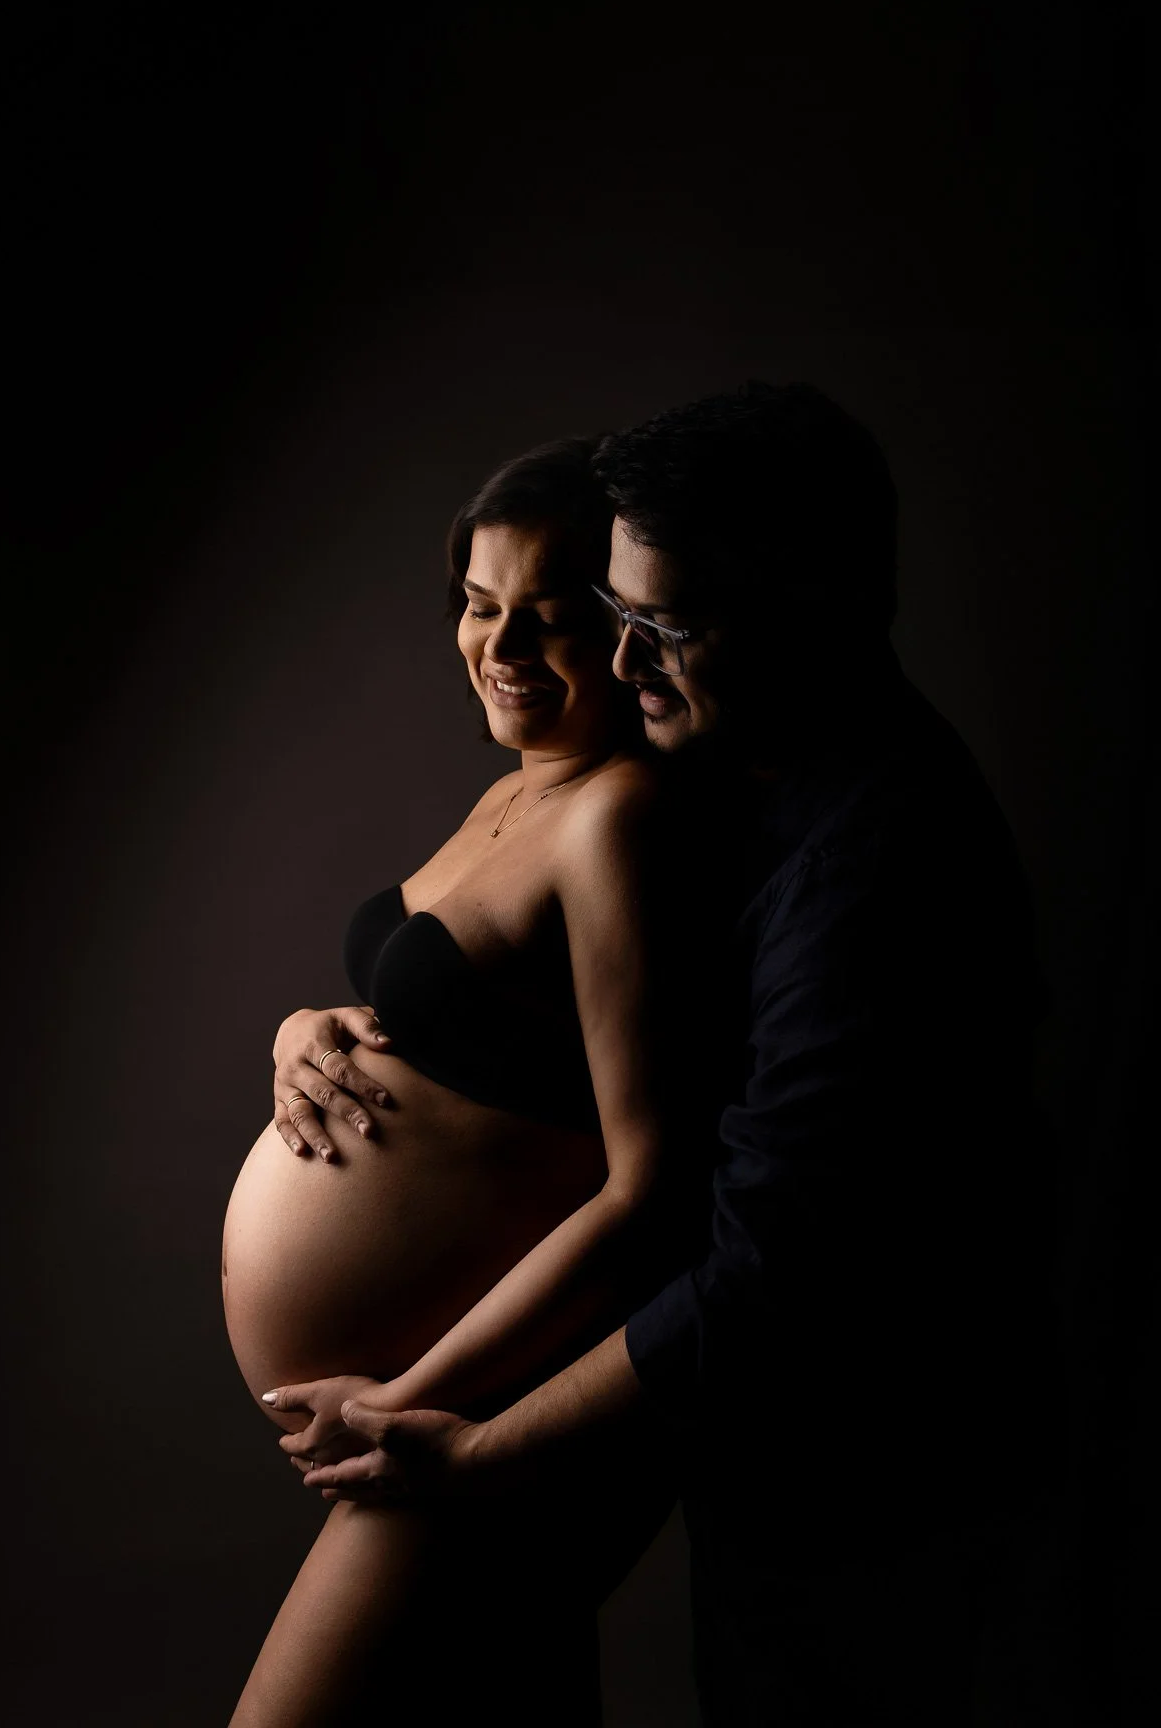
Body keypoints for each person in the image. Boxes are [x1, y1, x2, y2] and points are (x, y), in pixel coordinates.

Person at [284, 381, 1058, 1726]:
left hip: (863, 1484)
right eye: (620, 618)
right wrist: (324, 1032)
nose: (627, 666)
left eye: (668, 626)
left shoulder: (873, 868)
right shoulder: (736, 779)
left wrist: (474, 1451)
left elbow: (764, 1264)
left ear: (807, 612)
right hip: (726, 1459)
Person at [221, 437, 738, 1726]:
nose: (502, 643)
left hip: (490, 1419)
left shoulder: (617, 816)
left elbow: (655, 1189)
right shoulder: (522, 791)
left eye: (548, 615)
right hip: (444, 1417)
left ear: (621, 632)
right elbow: (466, 1024)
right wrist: (303, 1026)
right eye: (478, 602)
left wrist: (414, 1403)